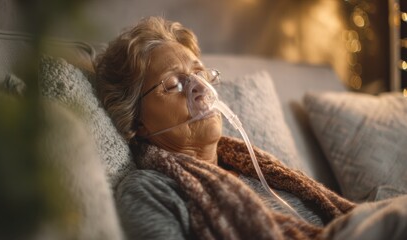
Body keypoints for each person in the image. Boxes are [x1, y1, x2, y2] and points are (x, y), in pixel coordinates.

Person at [94, 17, 406, 240]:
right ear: (137, 122)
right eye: (174, 85)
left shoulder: (261, 170)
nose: (200, 90)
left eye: (199, 75)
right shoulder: (151, 190)